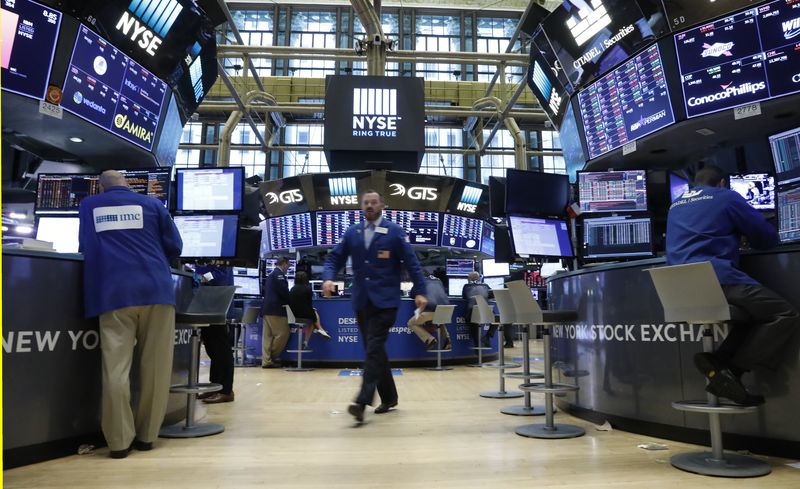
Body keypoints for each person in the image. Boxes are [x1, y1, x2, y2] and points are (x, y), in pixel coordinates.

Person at [666, 164, 799, 406]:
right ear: (722, 183)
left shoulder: (675, 205)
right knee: (784, 313)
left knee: (751, 316)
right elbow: (766, 238)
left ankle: (720, 364)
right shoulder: (726, 197)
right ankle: (731, 368)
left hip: (679, 289)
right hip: (718, 280)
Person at [78, 170, 182, 459]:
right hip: (156, 290)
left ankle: (119, 442)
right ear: (127, 184)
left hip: (112, 293)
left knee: (115, 369)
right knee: (157, 368)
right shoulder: (152, 205)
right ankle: (148, 436)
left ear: (101, 187)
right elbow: (175, 246)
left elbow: (85, 245)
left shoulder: (89, 206)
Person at [323, 189, 427, 422]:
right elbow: (334, 258)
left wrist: (420, 290)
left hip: (386, 301)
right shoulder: (353, 232)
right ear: (362, 207)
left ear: (382, 205)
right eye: (366, 203)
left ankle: (362, 401)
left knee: (373, 347)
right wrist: (328, 277)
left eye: (373, 202)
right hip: (361, 301)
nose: (369, 205)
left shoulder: (394, 232)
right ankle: (389, 397)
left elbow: (412, 263)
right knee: (375, 350)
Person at [193, 262, 235, 403]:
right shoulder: (201, 257)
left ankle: (226, 390)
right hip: (206, 304)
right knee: (212, 347)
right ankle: (215, 387)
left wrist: (202, 277)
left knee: (221, 348)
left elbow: (221, 276)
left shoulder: (222, 255)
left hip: (219, 303)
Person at [261, 257, 291, 368]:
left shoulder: (271, 275)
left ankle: (266, 361)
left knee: (267, 337)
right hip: (276, 310)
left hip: (266, 309)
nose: (289, 268)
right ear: (284, 264)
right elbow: (283, 292)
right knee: (283, 333)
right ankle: (271, 357)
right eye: (288, 265)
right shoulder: (279, 275)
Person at [289, 271, 332, 349]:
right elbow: (309, 303)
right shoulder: (308, 289)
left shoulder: (292, 289)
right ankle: (309, 338)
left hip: (292, 316)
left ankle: (319, 329)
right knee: (313, 316)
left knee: (312, 315)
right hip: (306, 316)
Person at [407, 275, 451, 351]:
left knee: (411, 323)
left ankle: (430, 339)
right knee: (439, 321)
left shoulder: (420, 282)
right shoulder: (439, 281)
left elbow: (412, 294)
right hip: (446, 310)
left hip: (430, 310)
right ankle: (447, 340)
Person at [462, 272, 495, 348]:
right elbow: (492, 295)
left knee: (473, 324)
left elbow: (464, 297)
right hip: (486, 311)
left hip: (471, 313)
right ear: (479, 278)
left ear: (469, 279)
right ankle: (487, 336)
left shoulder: (466, 286)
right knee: (496, 319)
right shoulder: (485, 286)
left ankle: (477, 346)